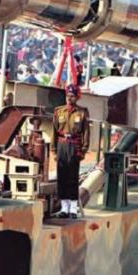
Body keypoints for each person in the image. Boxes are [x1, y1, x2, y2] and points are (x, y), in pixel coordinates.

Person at [52, 84, 90, 218]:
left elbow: (86, 132)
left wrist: (84, 149)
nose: (69, 98)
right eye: (68, 95)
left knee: (73, 176)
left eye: (72, 96)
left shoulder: (82, 112)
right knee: (62, 176)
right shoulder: (58, 111)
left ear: (77, 97)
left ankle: (73, 209)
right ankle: (64, 208)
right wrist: (54, 150)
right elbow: (54, 132)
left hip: (75, 145)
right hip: (62, 144)